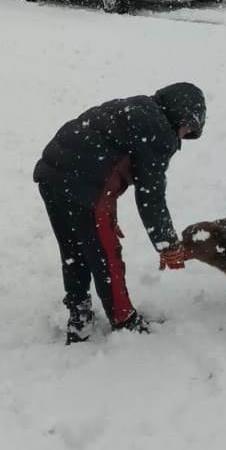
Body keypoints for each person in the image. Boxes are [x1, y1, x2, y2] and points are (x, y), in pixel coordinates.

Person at [33, 83, 206, 344]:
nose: (183, 135)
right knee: (107, 256)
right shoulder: (160, 132)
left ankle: (79, 314)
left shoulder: (138, 107)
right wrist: (167, 242)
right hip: (85, 187)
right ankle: (124, 319)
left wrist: (107, 214)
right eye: (187, 128)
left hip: (52, 175)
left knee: (73, 251)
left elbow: (101, 155)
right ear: (181, 115)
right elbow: (151, 196)